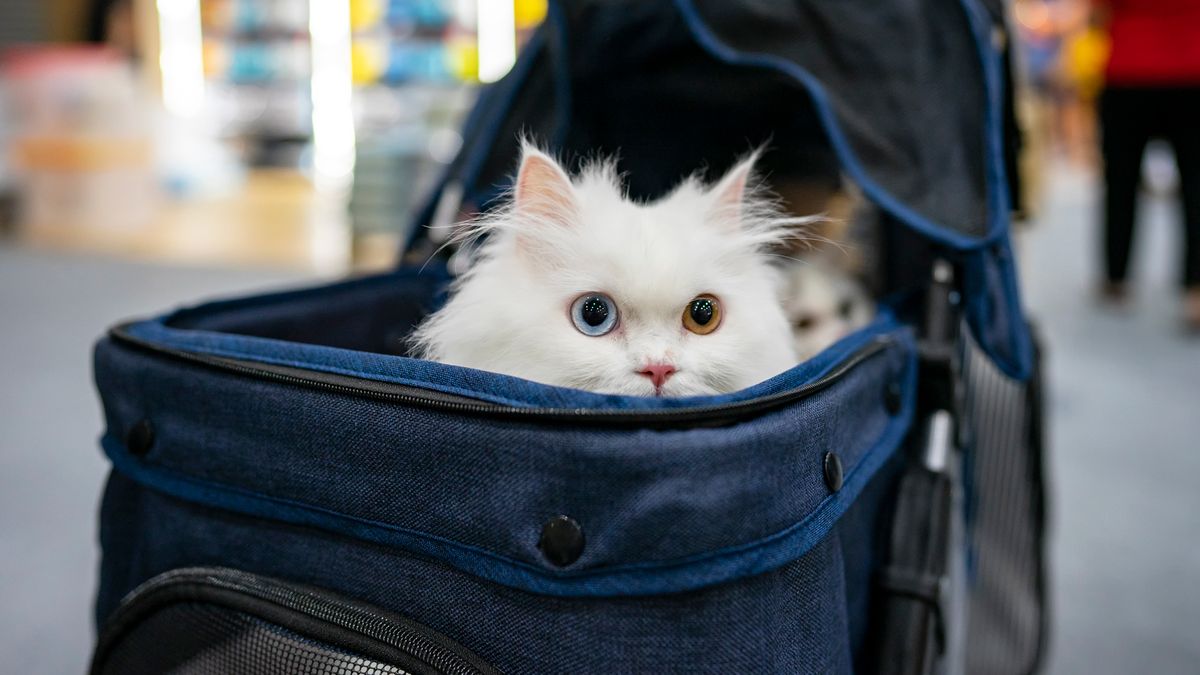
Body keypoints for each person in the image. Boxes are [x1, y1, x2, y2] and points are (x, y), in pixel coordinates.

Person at [1094, 0, 1200, 331]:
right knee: (1197, 187)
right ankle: (1195, 288)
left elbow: (1099, 11)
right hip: (1191, 68)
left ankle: (1116, 278)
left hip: (1129, 67)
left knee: (1120, 182)